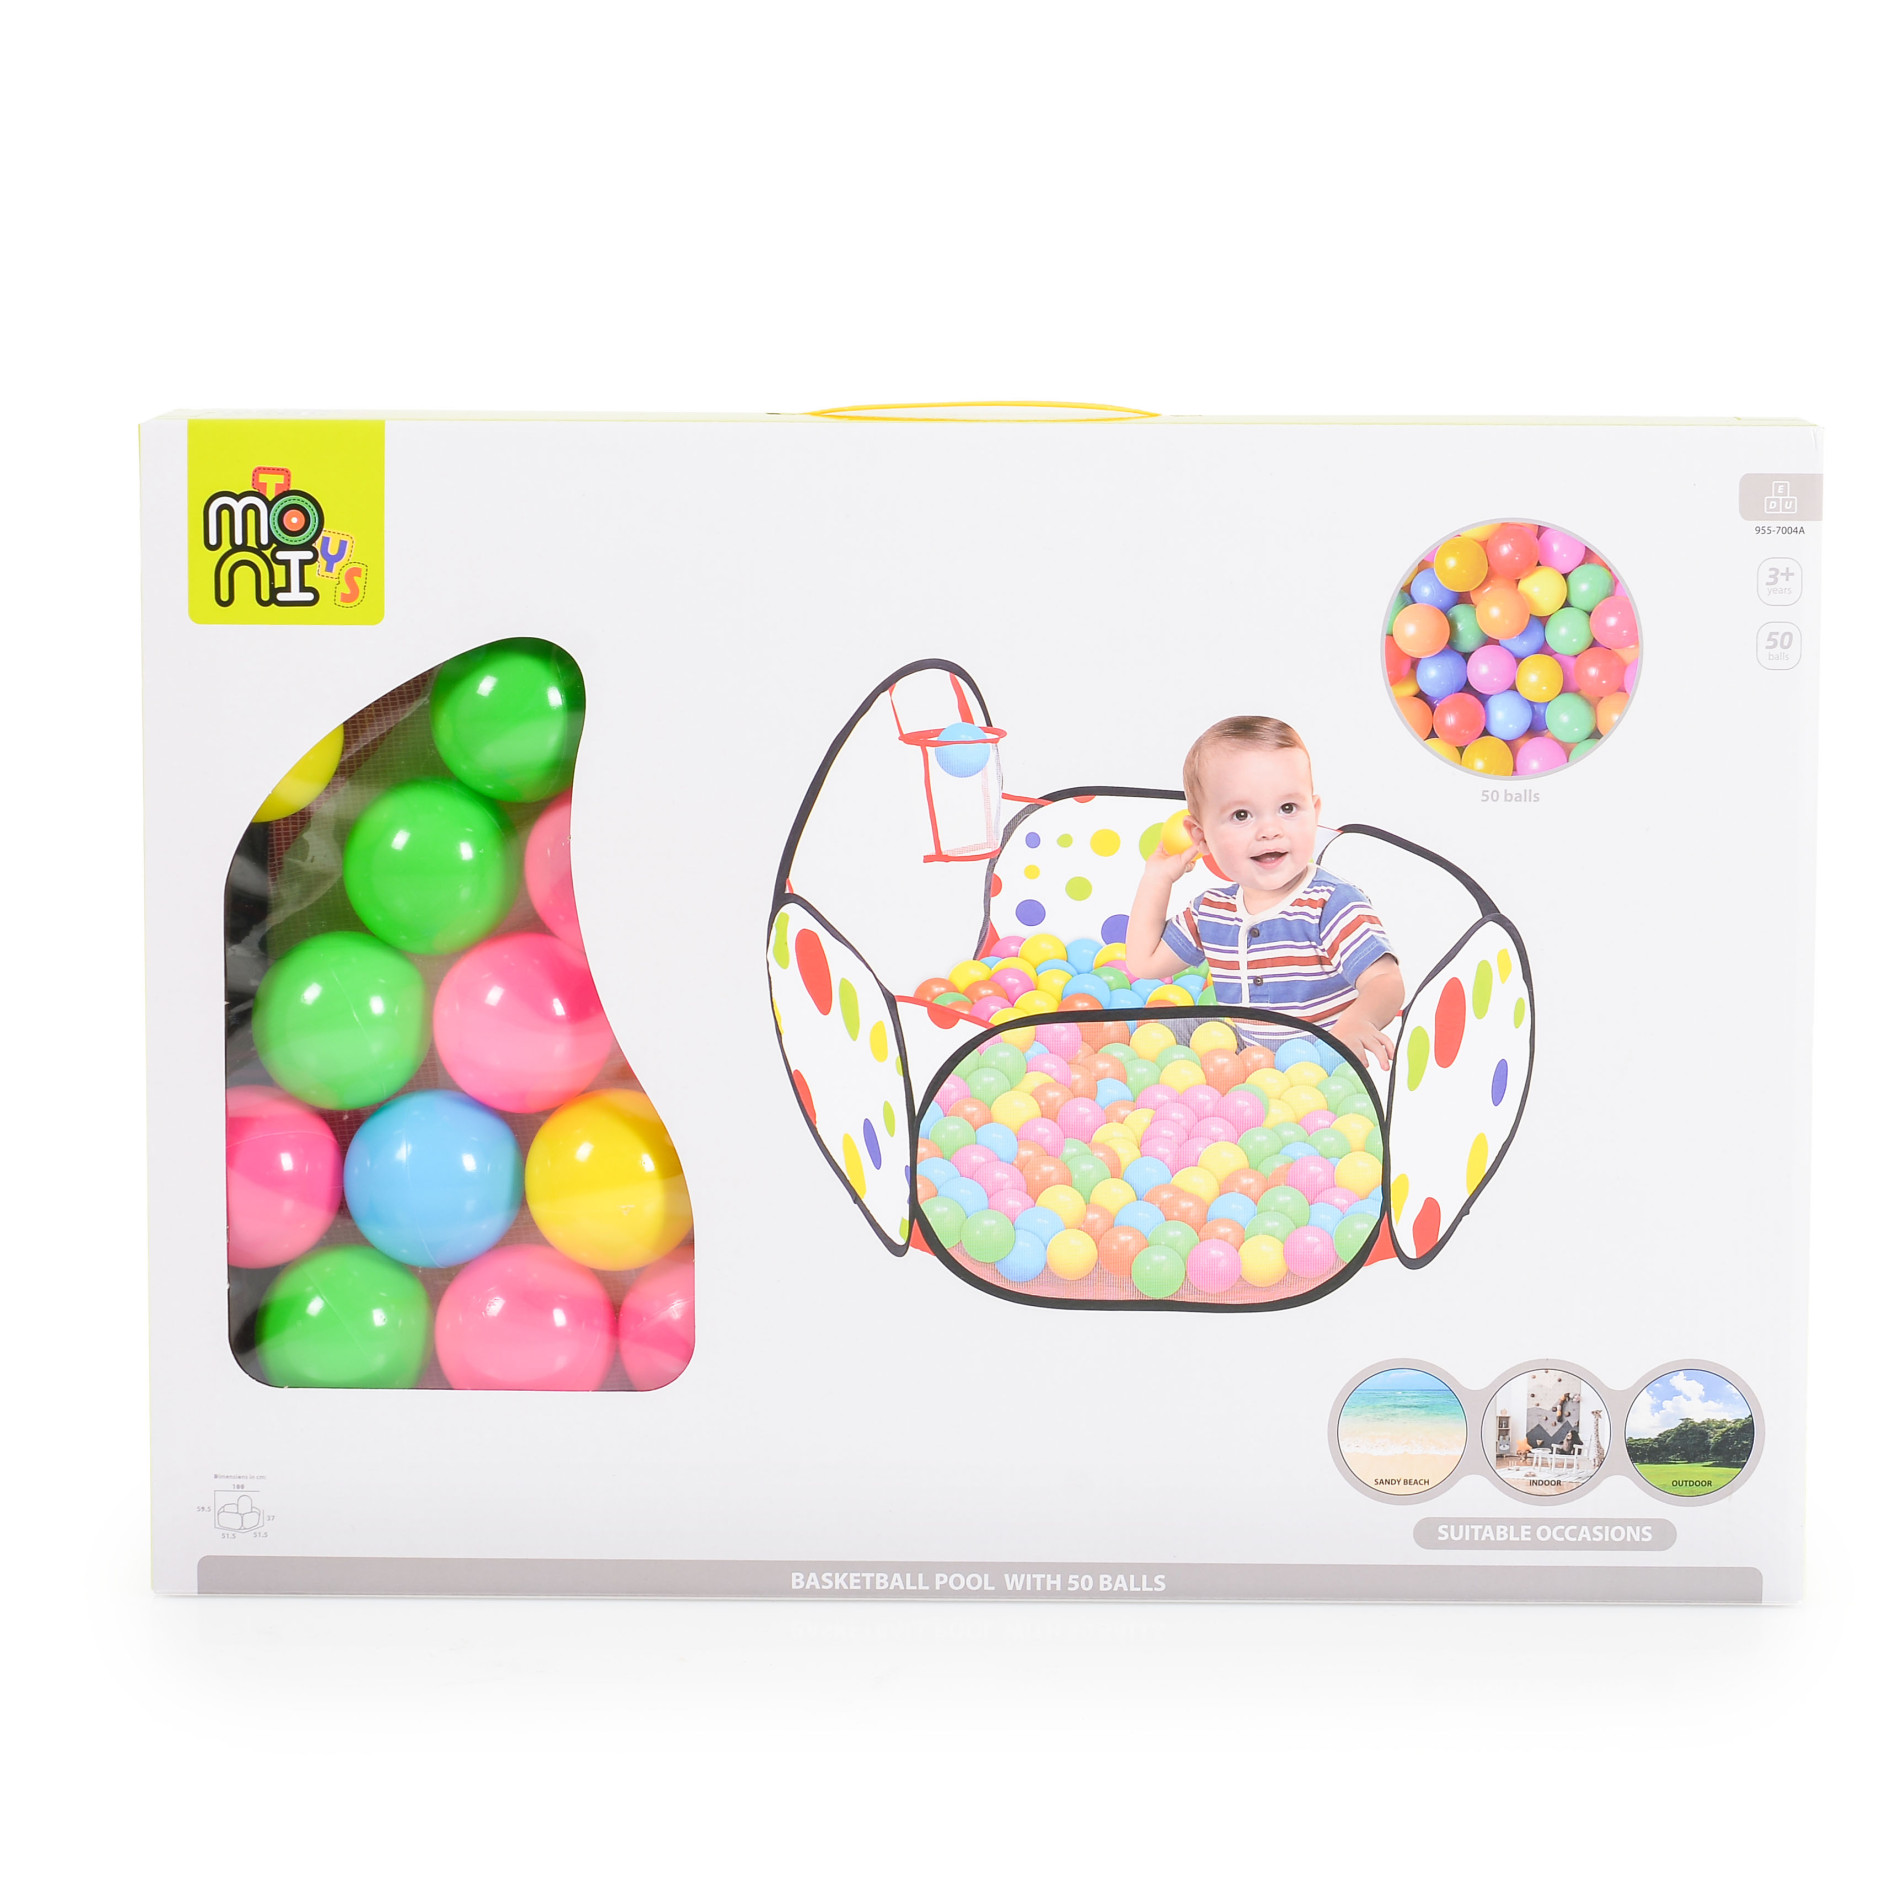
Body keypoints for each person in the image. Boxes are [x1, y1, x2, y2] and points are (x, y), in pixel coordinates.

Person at [1124, 715, 1403, 1069]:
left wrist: (1358, 1022)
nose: (1270, 830)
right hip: (1246, 1066)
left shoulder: (1331, 904)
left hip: (1320, 1069)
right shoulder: (1211, 911)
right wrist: (1157, 878)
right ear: (1201, 837)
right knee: (1161, 1032)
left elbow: (1385, 979)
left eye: (1288, 808)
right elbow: (1144, 962)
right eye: (1242, 815)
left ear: (1314, 813)